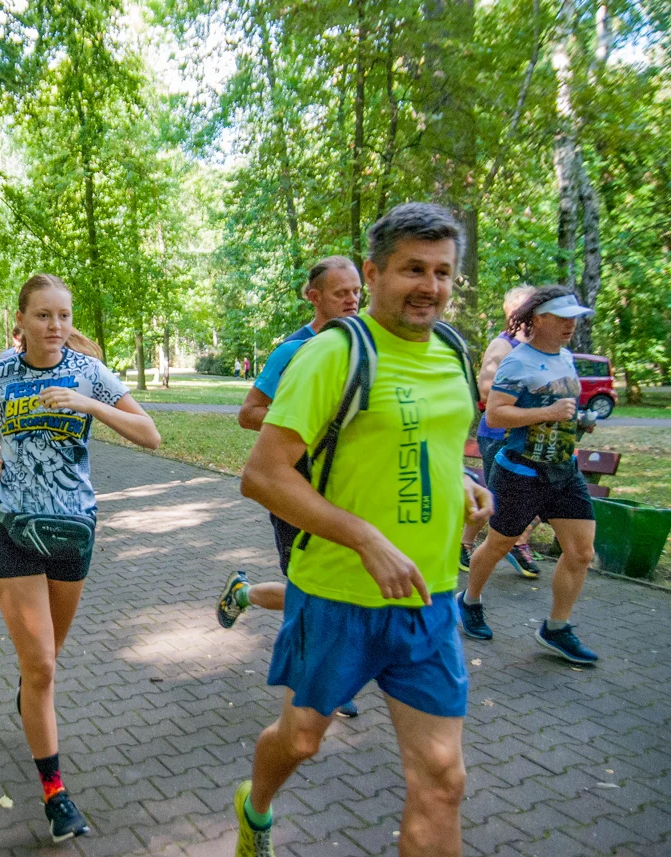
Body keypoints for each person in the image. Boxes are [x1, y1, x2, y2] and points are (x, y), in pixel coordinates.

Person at [232, 203, 493, 857]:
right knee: (301, 739)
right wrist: (364, 536)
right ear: (374, 273)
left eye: (442, 272)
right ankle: (255, 806)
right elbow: (263, 475)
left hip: (427, 599)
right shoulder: (333, 354)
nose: (429, 285)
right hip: (337, 598)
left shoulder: (454, 351)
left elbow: (430, 443)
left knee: (442, 779)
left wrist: (462, 486)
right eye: (412, 269)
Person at [0, 274, 160, 843]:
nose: (55, 327)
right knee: (41, 665)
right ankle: (55, 794)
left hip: (73, 532)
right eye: (43, 316)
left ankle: (29, 697)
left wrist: (89, 402)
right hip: (12, 529)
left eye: (63, 315)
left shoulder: (89, 372)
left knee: (47, 661)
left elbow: (151, 435)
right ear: (20, 321)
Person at [218, 255, 362, 717]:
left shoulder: (368, 348)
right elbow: (248, 414)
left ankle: (243, 594)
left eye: (357, 291)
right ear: (314, 297)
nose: (353, 299)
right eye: (342, 293)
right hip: (293, 486)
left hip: (347, 489)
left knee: (339, 587)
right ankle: (326, 682)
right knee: (313, 590)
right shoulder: (291, 351)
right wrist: (305, 423)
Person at [457, 286, 600, 665]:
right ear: (538, 320)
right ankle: (469, 600)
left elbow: (559, 407)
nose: (571, 325)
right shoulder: (517, 361)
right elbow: (495, 415)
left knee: (581, 552)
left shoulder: (566, 357)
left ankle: (556, 628)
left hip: (564, 471)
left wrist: (577, 420)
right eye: (562, 317)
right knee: (500, 544)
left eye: (574, 318)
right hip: (521, 471)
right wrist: (548, 413)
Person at [460, 285, 538, 576]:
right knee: (496, 496)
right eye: (524, 305)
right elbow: (485, 389)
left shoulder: (540, 346)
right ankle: (467, 546)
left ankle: (518, 541)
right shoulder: (503, 345)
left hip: (532, 437)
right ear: (510, 311)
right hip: (499, 435)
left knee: (542, 493)